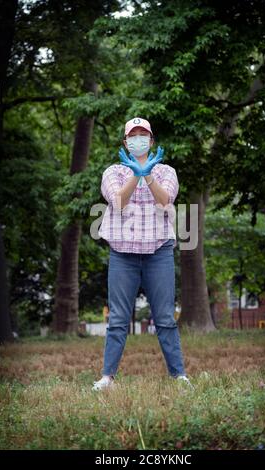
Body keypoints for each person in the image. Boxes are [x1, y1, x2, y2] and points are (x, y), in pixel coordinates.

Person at [93, 117, 192, 391]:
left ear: (151, 141)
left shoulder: (166, 172)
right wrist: (135, 173)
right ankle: (107, 378)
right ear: (126, 142)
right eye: (133, 135)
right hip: (122, 254)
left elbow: (165, 200)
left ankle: (179, 376)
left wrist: (147, 174)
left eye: (143, 134)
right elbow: (118, 202)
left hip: (158, 251)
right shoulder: (112, 172)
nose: (138, 139)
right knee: (118, 319)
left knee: (164, 318)